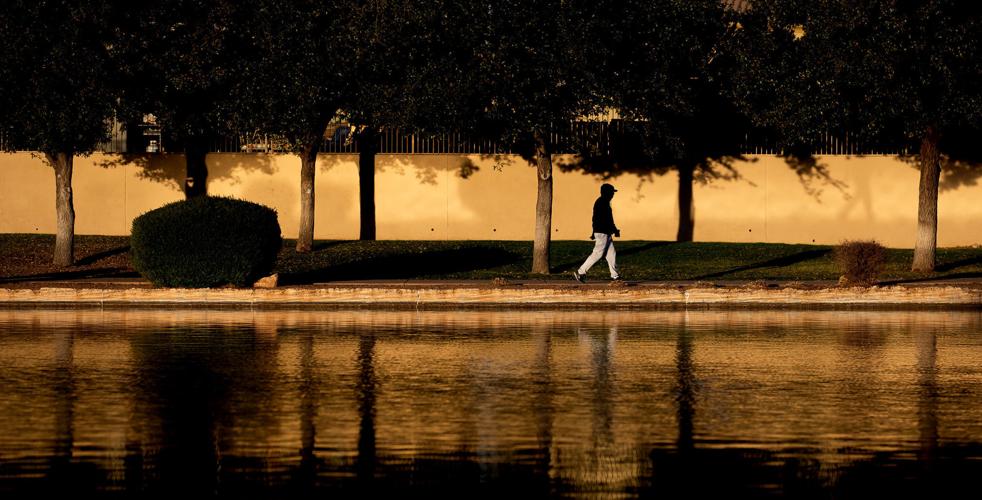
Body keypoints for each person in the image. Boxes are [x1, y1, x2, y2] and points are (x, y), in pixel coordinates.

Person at [572, 183, 621, 283]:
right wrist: (614, 230)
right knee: (598, 253)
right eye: (612, 192)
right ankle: (580, 272)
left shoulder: (602, 202)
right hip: (603, 232)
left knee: (611, 254)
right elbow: (607, 220)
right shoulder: (602, 203)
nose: (613, 194)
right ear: (606, 193)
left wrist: (595, 231)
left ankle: (615, 276)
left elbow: (596, 219)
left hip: (605, 232)